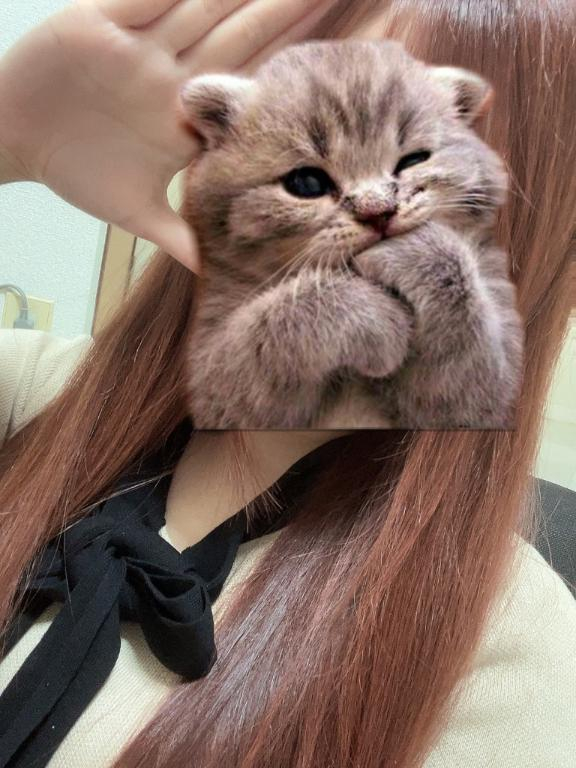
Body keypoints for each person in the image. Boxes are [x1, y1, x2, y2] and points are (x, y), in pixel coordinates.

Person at [0, 0, 575, 766]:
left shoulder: (511, 653)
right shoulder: (39, 395)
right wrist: (8, 138)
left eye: (416, 159)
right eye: (308, 175)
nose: (373, 207)